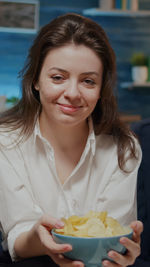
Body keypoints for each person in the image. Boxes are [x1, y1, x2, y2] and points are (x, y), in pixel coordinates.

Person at [0, 13, 143, 267]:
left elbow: (113, 235)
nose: (73, 93)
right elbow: (17, 237)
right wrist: (40, 237)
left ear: (101, 90)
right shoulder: (4, 142)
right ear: (35, 80)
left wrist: (122, 253)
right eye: (58, 78)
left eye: (88, 81)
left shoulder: (124, 149)